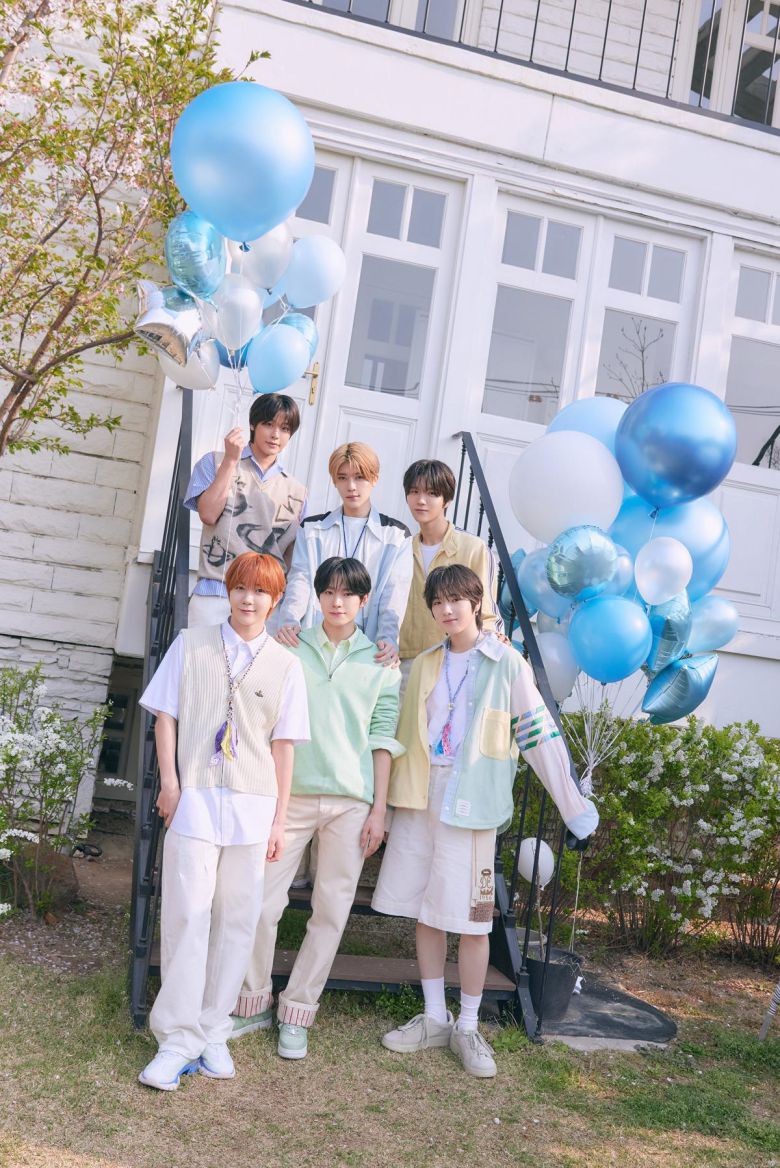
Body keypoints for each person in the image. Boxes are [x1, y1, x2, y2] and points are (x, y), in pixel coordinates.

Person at [372, 564, 598, 1079]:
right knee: (427, 911)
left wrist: (575, 810)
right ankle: (435, 1017)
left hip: (472, 800)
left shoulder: (506, 662)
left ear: (477, 602)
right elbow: (401, 730)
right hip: (421, 795)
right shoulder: (425, 663)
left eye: (456, 599)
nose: (446, 610)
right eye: (437, 602)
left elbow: (539, 737)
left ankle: (468, 1026)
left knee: (474, 921)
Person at [137, 552, 309, 1091]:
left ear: (274, 601)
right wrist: (170, 783)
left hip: (254, 807)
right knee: (188, 913)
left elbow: (284, 748)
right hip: (196, 797)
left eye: (260, 592)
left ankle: (213, 1029)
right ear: (228, 592)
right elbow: (166, 716)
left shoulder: (286, 666)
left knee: (238, 919)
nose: (248, 599)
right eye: (240, 588)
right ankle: (176, 1037)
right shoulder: (191, 643)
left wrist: (280, 820)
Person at [231, 557, 403, 1058]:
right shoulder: (289, 646)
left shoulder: (381, 662)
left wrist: (379, 809)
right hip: (292, 794)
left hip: (352, 800)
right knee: (263, 903)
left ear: (364, 601)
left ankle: (298, 1011)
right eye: (328, 592)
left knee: (331, 910)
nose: (336, 601)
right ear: (318, 597)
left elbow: (383, 738)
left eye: (347, 594)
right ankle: (251, 1002)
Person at [276, 442, 412, 668]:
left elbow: (394, 596)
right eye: (342, 478)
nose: (351, 486)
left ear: (374, 479)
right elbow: (301, 579)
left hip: (367, 650)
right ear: (334, 481)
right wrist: (289, 620)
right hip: (315, 644)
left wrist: (388, 639)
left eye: (359, 477)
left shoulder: (396, 535)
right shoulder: (312, 528)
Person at [184, 393, 307, 629]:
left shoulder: (298, 492)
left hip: (264, 604)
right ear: (252, 424)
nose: (275, 434)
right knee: (202, 654)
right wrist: (231, 461)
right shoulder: (215, 462)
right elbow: (208, 514)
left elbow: (291, 558)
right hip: (216, 591)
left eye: (284, 428)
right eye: (268, 424)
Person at [399, 459, 502, 690]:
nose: (421, 500)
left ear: (446, 500)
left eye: (432, 493)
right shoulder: (401, 549)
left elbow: (487, 612)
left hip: (457, 659)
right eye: (414, 492)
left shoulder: (473, 548)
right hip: (407, 662)